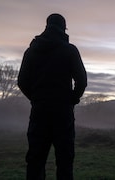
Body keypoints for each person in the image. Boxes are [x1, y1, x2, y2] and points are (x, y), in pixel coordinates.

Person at [18, 13, 87, 180]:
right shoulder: (70, 50)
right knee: (64, 161)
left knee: (35, 160)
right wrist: (71, 100)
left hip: (39, 112)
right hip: (63, 114)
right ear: (63, 28)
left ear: (46, 26)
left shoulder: (31, 51)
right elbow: (82, 81)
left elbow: (22, 81)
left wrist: (35, 98)